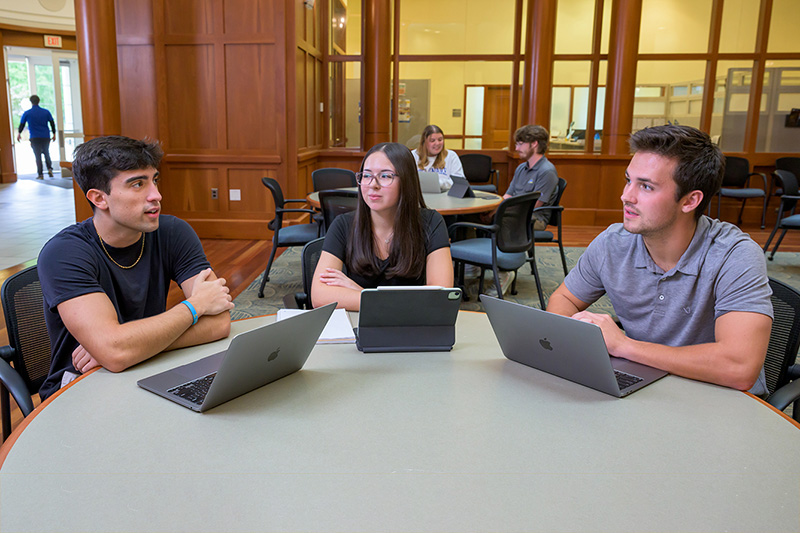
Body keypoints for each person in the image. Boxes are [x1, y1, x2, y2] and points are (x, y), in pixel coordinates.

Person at [547, 124, 772, 395]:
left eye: (646, 186)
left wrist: (624, 346)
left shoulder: (735, 255)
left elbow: (739, 368)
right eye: (628, 180)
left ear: (690, 201)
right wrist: (576, 340)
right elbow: (564, 299)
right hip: (646, 387)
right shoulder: (612, 243)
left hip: (719, 400)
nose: (626, 196)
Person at [37, 136, 234, 400]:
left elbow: (220, 323)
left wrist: (131, 346)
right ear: (99, 198)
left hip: (146, 368)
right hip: (80, 386)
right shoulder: (64, 253)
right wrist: (195, 307)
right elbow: (116, 353)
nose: (156, 195)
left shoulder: (173, 232)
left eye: (154, 180)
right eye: (138, 184)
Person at [312, 142, 454, 311]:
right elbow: (319, 296)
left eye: (385, 176)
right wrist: (393, 303)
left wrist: (363, 294)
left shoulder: (431, 222)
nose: (373, 184)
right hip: (359, 328)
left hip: (411, 328)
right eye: (366, 175)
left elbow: (439, 298)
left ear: (407, 181)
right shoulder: (344, 225)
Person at [503, 124, 559, 230]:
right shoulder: (521, 168)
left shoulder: (547, 171)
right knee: (476, 216)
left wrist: (502, 211)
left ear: (534, 144)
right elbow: (508, 195)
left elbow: (534, 205)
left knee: (498, 220)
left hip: (534, 218)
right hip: (514, 212)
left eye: (520, 144)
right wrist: (494, 209)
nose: (516, 148)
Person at [411, 125, 464, 191]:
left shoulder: (451, 156)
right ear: (424, 142)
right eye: (432, 140)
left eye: (440, 140)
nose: (437, 143)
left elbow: (459, 182)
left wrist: (438, 183)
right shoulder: (413, 155)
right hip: (420, 195)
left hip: (445, 195)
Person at [17, 95, 57, 179]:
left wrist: (19, 134)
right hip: (45, 136)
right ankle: (50, 169)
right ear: (39, 101)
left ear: (31, 102)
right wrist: (54, 134)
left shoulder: (27, 113)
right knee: (46, 153)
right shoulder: (46, 112)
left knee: (37, 155)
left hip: (34, 137)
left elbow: (22, 124)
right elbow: (52, 123)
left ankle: (40, 174)